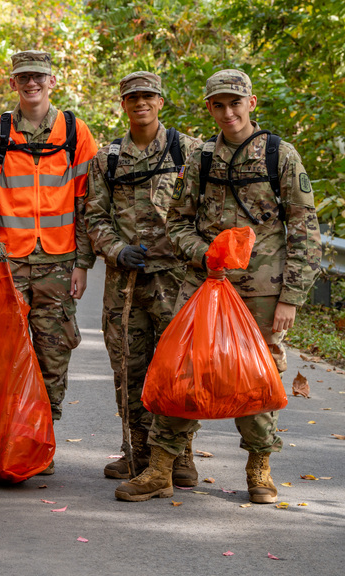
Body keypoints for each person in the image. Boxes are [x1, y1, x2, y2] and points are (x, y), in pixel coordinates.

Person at [116, 69, 322, 503]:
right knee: (181, 370)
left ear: (250, 103)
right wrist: (203, 252)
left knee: (256, 377)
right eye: (218, 105)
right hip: (204, 282)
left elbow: (305, 228)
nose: (228, 112)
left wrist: (292, 297)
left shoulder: (280, 156)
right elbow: (178, 223)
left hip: (262, 290)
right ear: (209, 108)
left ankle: (259, 468)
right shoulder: (201, 157)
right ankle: (160, 468)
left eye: (235, 103)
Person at [0, 50, 98, 475]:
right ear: (13, 83)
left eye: (38, 76)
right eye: (23, 77)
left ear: (52, 80)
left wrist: (83, 262)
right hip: (10, 261)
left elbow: (88, 201)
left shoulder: (75, 131)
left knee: (53, 352)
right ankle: (8, 435)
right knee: (6, 351)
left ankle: (43, 438)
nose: (31, 84)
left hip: (59, 261)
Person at [84, 72, 202, 484]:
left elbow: (207, 210)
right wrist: (116, 249)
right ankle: (137, 453)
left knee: (179, 369)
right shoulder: (108, 158)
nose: (140, 103)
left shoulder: (188, 151)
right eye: (132, 97)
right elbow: (93, 217)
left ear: (161, 101)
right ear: (123, 103)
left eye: (148, 95)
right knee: (130, 368)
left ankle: (178, 457)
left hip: (178, 280)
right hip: (126, 284)